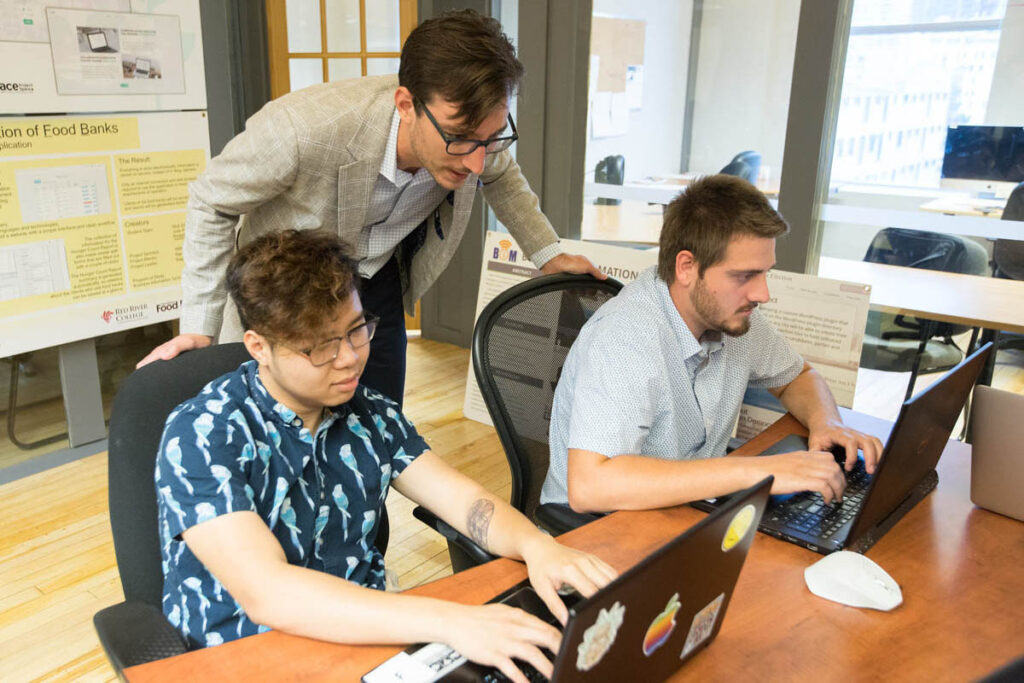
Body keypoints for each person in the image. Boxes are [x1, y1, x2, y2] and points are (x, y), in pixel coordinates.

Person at [154, 230, 615, 682]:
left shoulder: (369, 413)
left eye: (357, 330)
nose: (351, 358)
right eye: (322, 346)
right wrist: (450, 620)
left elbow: (464, 501)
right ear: (260, 347)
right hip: (246, 656)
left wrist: (538, 546)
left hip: (368, 634)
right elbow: (268, 594)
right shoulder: (202, 433)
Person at [138, 10, 603, 406]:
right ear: (406, 105)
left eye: (491, 139)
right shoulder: (302, 131)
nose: (477, 160)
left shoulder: (476, 129)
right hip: (289, 288)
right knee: (281, 424)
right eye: (460, 140)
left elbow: (501, 177)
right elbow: (211, 201)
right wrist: (200, 325)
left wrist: (549, 253)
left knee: (379, 420)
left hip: (375, 279)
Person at [539, 174, 885, 513]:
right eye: (745, 276)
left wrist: (827, 422)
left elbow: (797, 376)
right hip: (601, 531)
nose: (762, 294)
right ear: (687, 267)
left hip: (687, 510)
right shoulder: (626, 338)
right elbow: (591, 487)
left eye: (766, 272)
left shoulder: (731, 315)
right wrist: (756, 472)